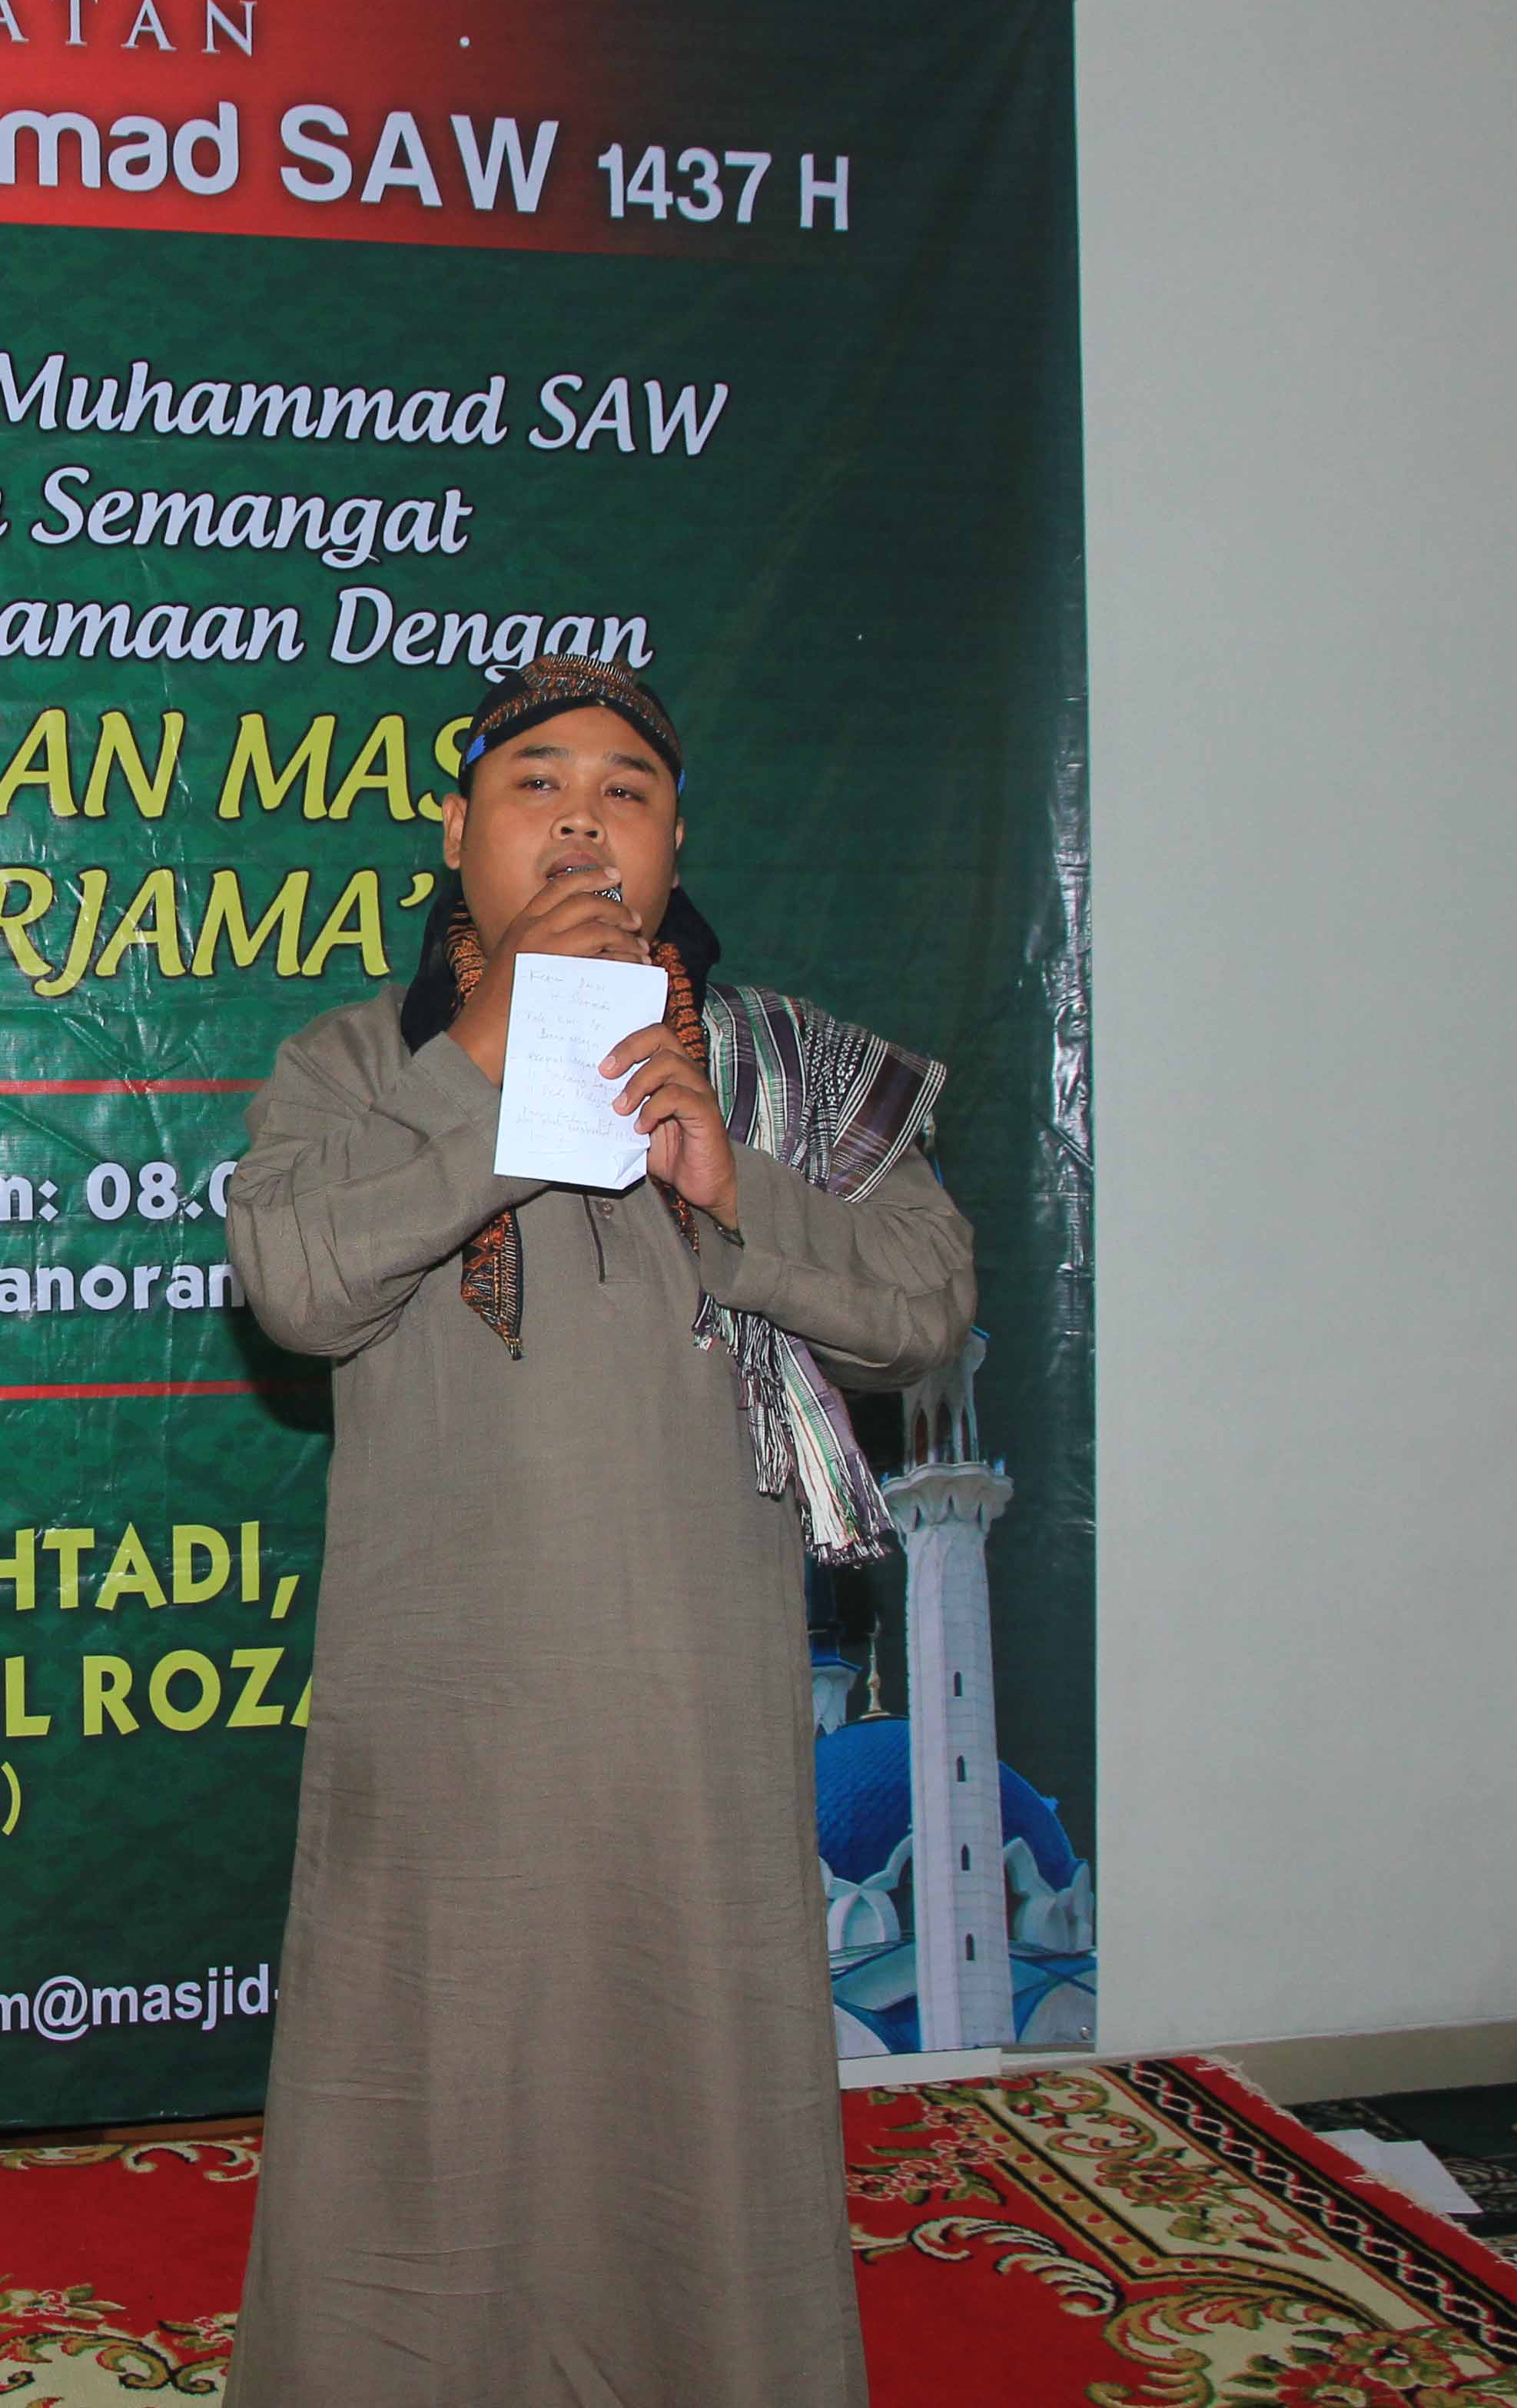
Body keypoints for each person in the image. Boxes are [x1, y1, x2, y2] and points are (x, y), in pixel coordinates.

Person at [221, 654, 978, 2405]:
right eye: (535, 784)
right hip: (447, 1715)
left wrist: (735, 1184)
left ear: (673, 839)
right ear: (454, 832)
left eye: (624, 790)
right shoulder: (357, 1063)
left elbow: (922, 1307)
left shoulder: (779, 1071)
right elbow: (294, 1283)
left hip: (687, 1718)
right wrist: (491, 1056)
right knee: (426, 2107)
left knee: (690, 2099)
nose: (581, 818)